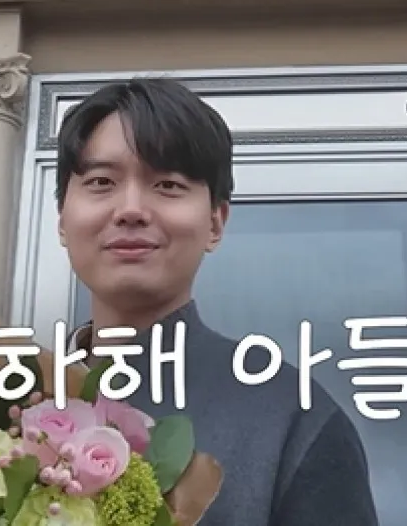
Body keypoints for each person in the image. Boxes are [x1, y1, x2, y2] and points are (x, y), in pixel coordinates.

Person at [53, 76, 380, 526]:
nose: (130, 210)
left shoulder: (292, 418)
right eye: (101, 181)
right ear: (62, 219)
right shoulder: (13, 404)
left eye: (167, 185)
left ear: (215, 223)